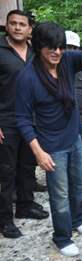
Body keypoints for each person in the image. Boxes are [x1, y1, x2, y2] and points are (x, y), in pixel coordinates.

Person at [15, 22, 82, 256]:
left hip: (73, 138)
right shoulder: (27, 78)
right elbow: (22, 119)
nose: (57, 52)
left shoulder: (67, 61)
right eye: (51, 47)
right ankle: (61, 237)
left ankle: (77, 219)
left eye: (60, 47)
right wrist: (38, 152)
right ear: (39, 46)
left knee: (79, 183)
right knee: (59, 194)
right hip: (51, 146)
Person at [0, 10, 49, 239]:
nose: (18, 27)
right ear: (7, 26)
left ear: (29, 29)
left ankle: (25, 205)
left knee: (28, 166)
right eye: (13, 23)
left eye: (22, 24)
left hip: (31, 121)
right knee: (6, 173)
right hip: (6, 120)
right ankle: (5, 220)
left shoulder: (35, 54)